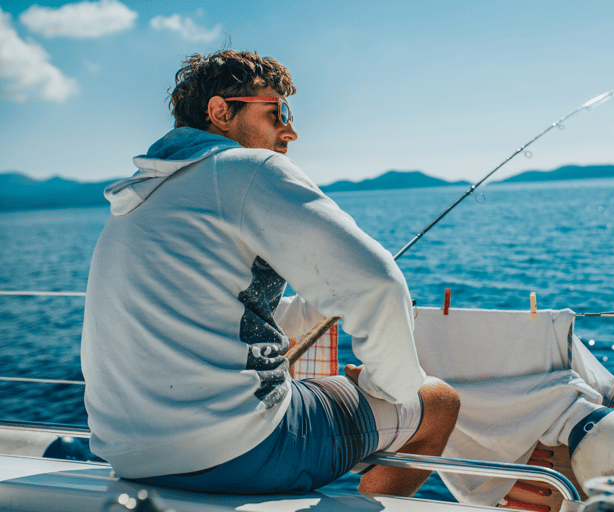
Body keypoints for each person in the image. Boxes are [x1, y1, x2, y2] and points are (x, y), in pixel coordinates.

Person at [80, 49, 460, 496]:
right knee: (437, 403)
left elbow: (206, 305)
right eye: (276, 112)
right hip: (238, 451)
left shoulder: (137, 198)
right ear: (221, 112)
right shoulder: (246, 168)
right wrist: (385, 387)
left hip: (130, 456)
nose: (290, 130)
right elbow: (377, 282)